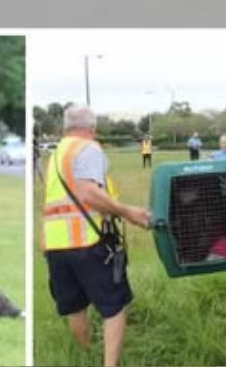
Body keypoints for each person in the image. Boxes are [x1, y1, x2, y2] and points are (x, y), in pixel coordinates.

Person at [42, 105, 150, 367]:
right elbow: (88, 192)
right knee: (113, 307)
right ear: (92, 128)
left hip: (56, 244)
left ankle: (85, 354)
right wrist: (128, 212)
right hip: (87, 241)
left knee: (75, 306)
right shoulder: (87, 148)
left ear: (64, 127)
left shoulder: (57, 154)